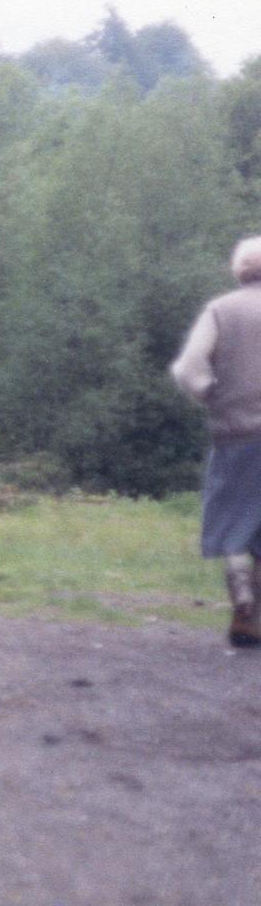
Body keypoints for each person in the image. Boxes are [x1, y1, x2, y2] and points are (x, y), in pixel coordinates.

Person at [170, 234, 261, 646]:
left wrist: (211, 394)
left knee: (234, 521)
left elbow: (188, 368)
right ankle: (254, 621)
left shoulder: (220, 310)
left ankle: (241, 601)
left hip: (235, 434)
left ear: (238, 267)